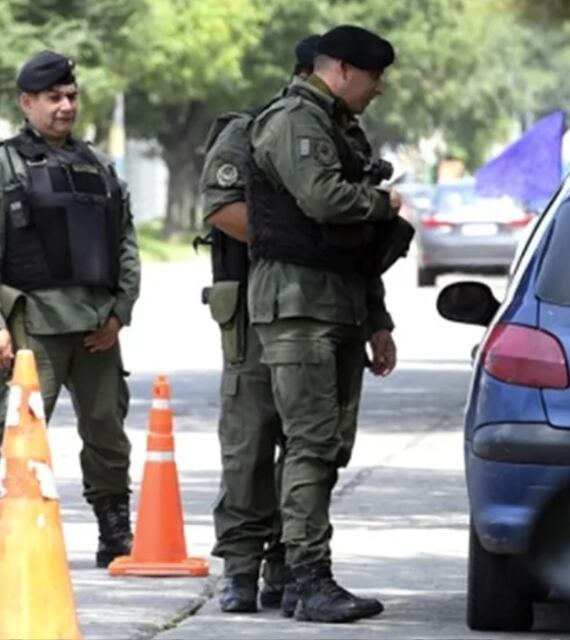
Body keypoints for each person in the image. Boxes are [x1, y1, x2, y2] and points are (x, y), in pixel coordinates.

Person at [246, 24, 412, 623]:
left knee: (326, 447)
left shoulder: (340, 129)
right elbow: (322, 200)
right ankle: (308, 577)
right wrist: (383, 204)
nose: (380, 90)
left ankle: (292, 571)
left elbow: (355, 245)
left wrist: (377, 319)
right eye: (373, 77)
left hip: (337, 301)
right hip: (297, 305)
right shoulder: (294, 121)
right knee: (312, 444)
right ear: (339, 69)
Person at [0, 50, 141, 571]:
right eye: (52, 98)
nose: (65, 107)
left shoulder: (98, 165)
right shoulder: (5, 165)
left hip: (96, 326)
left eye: (71, 96)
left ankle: (114, 529)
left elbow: (125, 244)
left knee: (107, 429)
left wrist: (119, 312)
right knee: (15, 431)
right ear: (27, 102)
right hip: (32, 327)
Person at [198, 34, 321, 615]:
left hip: (318, 310)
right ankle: (241, 568)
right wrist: (298, 241)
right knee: (249, 441)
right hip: (251, 307)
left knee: (310, 444)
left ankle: (288, 566)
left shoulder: (337, 138)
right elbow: (220, 208)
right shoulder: (249, 130)